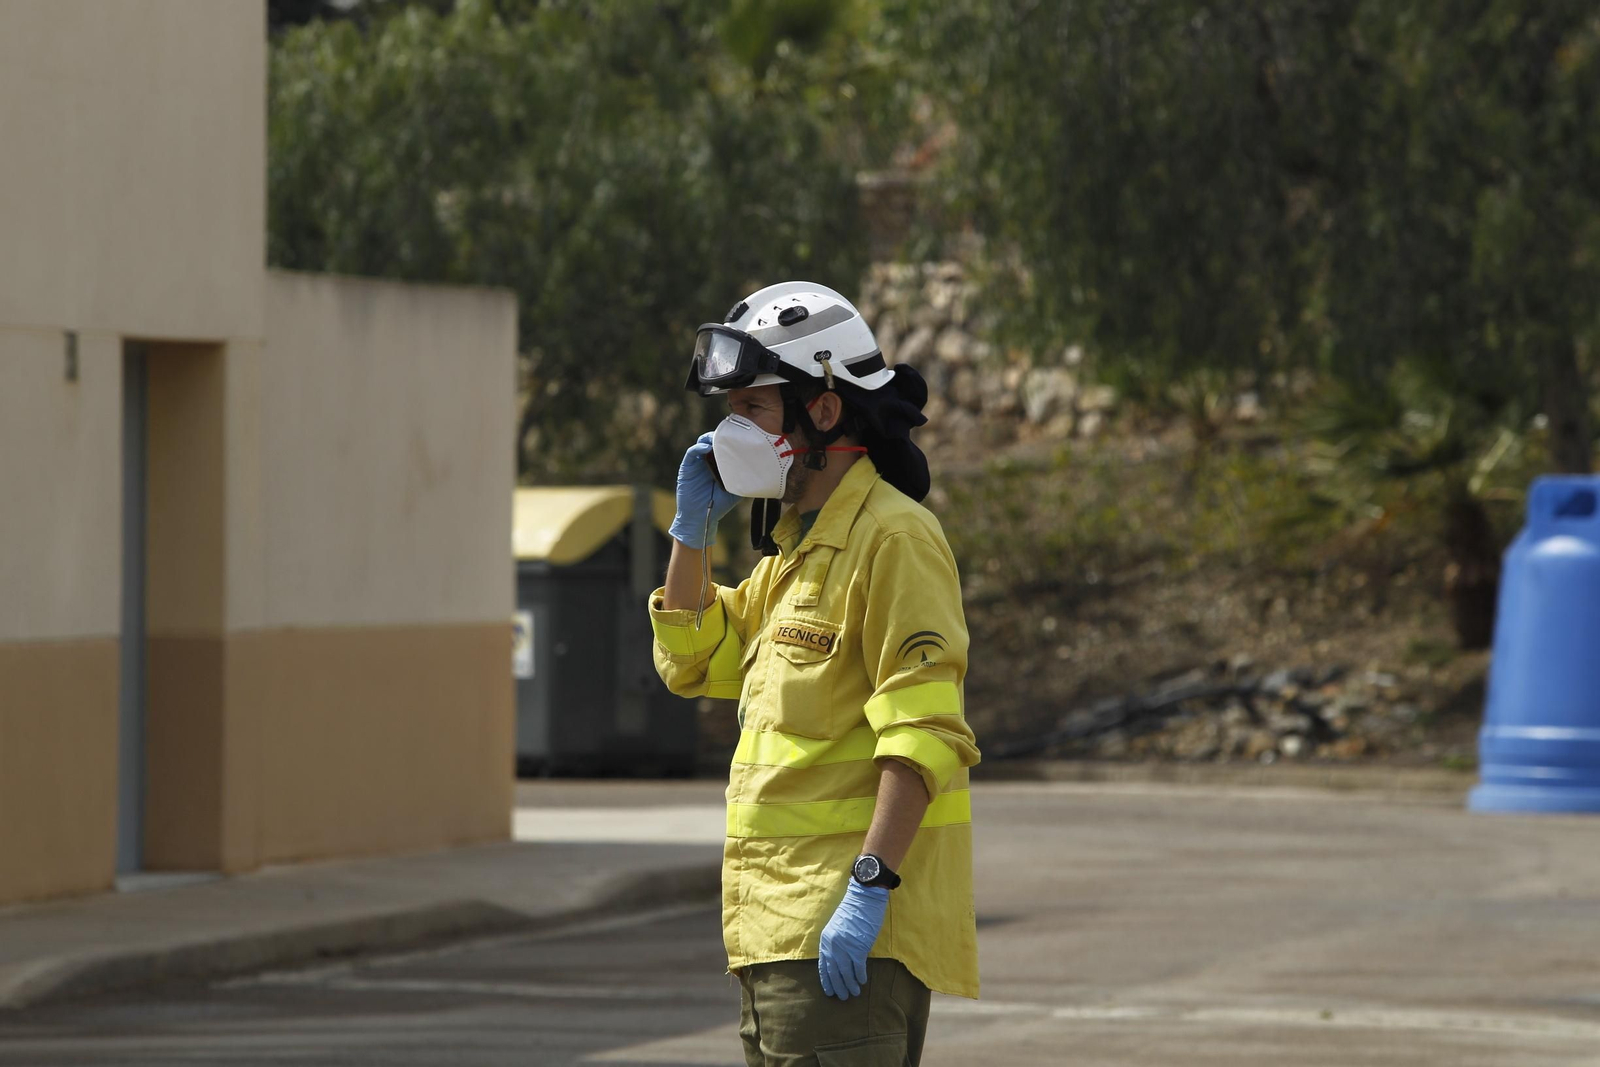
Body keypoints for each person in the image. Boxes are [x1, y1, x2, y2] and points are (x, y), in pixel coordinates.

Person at [646, 281, 982, 1067]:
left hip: (845, 944)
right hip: (773, 936)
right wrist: (691, 534)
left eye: (752, 411)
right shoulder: (796, 553)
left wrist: (868, 889)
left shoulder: (895, 539)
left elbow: (925, 731)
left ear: (823, 411)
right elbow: (691, 661)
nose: (733, 431)